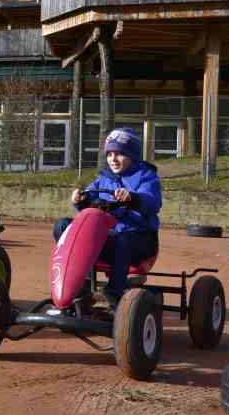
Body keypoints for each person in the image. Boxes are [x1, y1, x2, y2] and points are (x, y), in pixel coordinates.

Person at [63, 127, 162, 309]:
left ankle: (114, 292)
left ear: (132, 155)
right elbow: (91, 198)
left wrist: (132, 197)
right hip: (110, 238)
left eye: (119, 154)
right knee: (65, 227)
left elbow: (152, 202)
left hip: (140, 240)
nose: (113, 160)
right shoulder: (104, 178)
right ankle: (81, 288)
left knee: (122, 242)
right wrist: (80, 199)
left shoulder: (147, 177)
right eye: (109, 154)